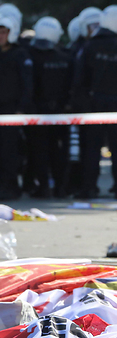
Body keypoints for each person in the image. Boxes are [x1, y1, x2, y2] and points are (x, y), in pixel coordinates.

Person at [0, 16, 33, 201]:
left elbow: (28, 85)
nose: (0, 36)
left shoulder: (20, 55)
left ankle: (11, 186)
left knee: (9, 150)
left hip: (12, 111)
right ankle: (2, 184)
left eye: (4, 32)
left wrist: (21, 110)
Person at [26, 17, 73, 199]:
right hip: (61, 112)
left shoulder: (29, 54)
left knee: (39, 151)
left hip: (38, 112)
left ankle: (44, 186)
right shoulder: (66, 57)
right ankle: (61, 187)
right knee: (59, 151)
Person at [74, 6, 117, 199]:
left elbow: (80, 77)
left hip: (94, 104)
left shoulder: (90, 46)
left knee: (91, 148)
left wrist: (83, 103)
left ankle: (89, 187)